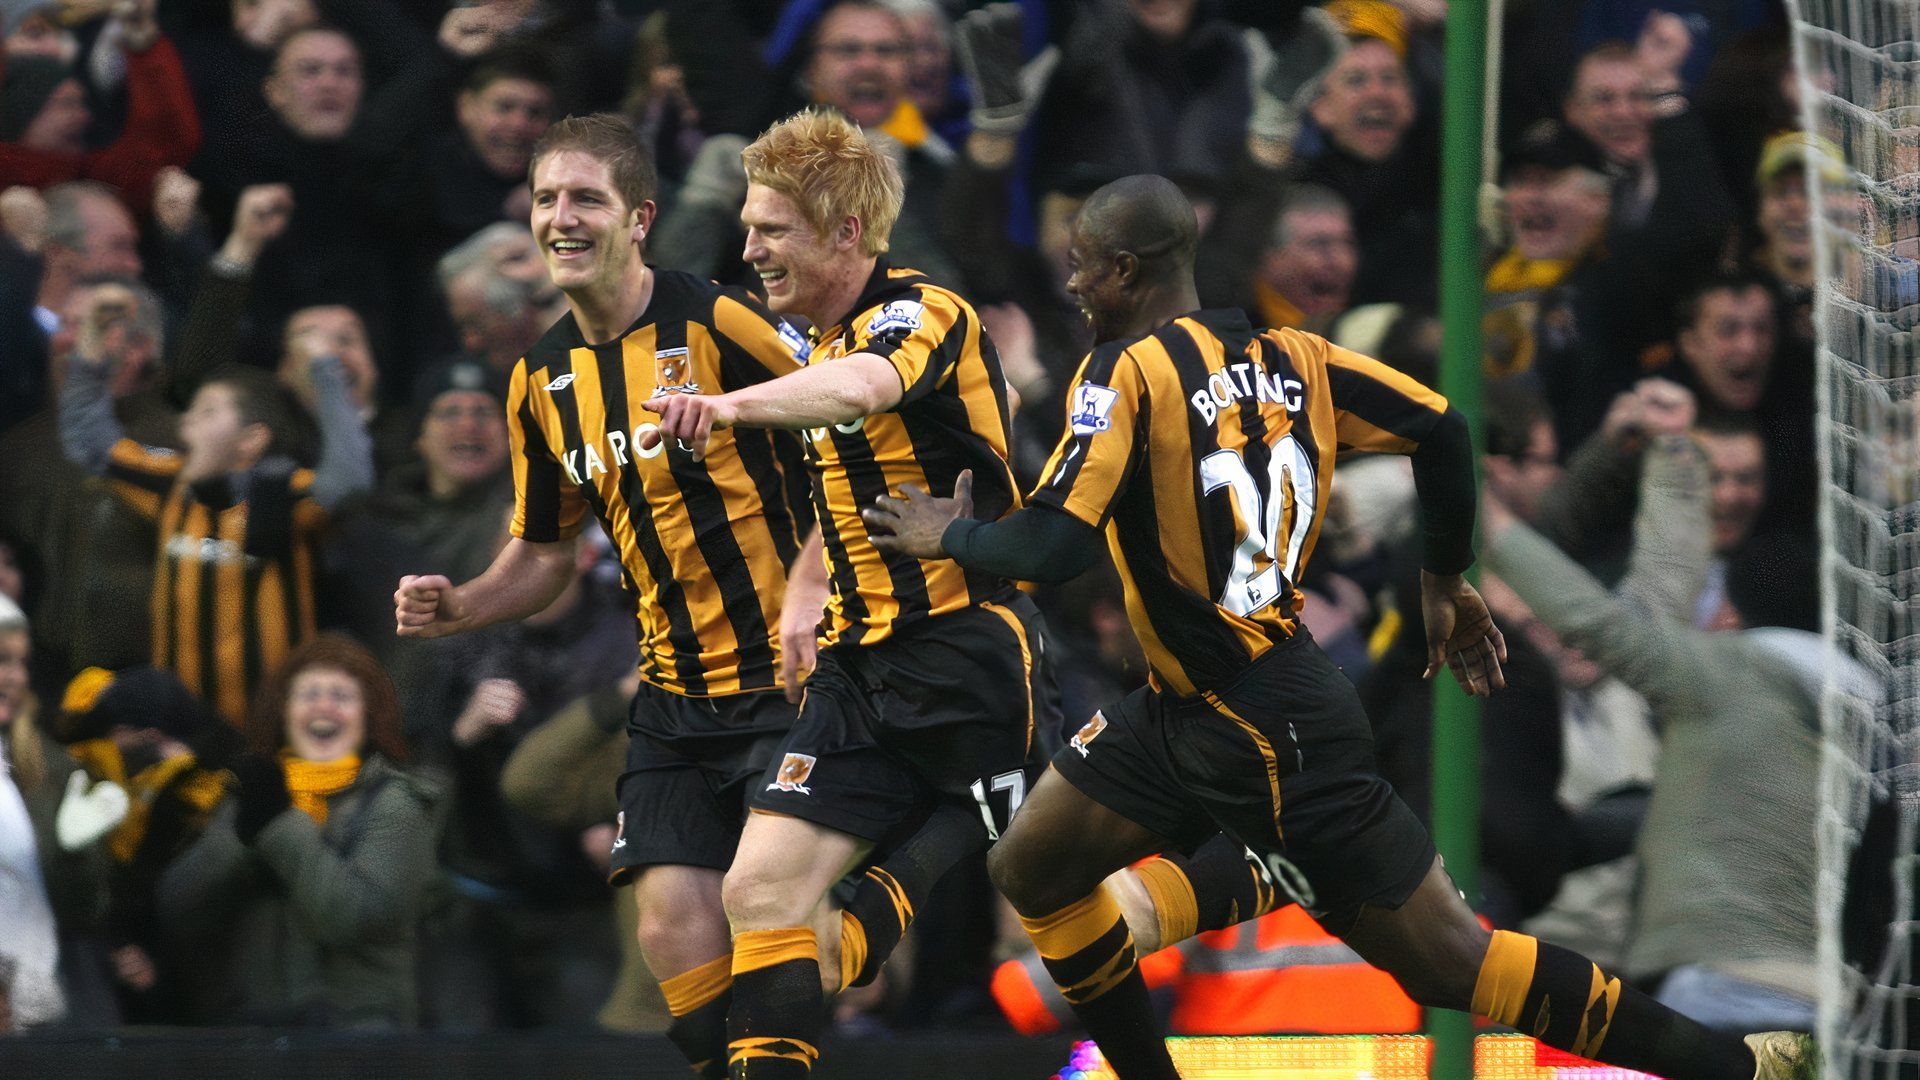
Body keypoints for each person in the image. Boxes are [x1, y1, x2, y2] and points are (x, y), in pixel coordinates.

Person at [858, 174, 1809, 1080]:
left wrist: (956, 534)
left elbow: (1056, 548)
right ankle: (1225, 935)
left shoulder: (1126, 372)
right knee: (1031, 863)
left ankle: (1737, 1063)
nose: (1071, 282)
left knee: (1450, 966)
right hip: (1192, 704)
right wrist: (1444, 576)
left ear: (1129, 270)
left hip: (1269, 726)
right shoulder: (1295, 358)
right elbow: (1443, 432)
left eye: (1083, 263)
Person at [394, 114, 979, 1076]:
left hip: (793, 681)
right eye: (546, 199)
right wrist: (462, 604)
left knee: (781, 934)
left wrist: (808, 583)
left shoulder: (718, 321)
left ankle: (935, 848)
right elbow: (543, 555)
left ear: (640, 219)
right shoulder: (541, 379)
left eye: (587, 198)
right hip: (670, 692)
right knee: (674, 938)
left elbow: (853, 433)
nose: (562, 217)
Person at [640, 107, 1059, 1078]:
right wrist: (803, 592)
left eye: (770, 230)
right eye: (746, 227)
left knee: (1053, 900)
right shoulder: (818, 344)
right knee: (760, 901)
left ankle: (973, 819)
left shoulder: (920, 315)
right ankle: (947, 840)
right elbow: (850, 490)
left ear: (847, 235)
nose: (749, 250)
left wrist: (725, 406)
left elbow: (867, 390)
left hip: (964, 647)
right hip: (857, 668)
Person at [59, 282, 375, 724]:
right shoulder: (171, 482)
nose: (187, 423)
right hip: (180, 731)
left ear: (251, 440)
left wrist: (324, 369)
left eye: (207, 412)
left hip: (271, 734)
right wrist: (92, 353)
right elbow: (89, 445)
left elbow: (350, 483)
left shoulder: (282, 492)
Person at [156, 633, 440, 1028]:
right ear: (284, 714)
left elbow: (357, 918)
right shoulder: (253, 794)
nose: (324, 706)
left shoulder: (395, 803)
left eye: (342, 696)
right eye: (308, 695)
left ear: (368, 716)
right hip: (252, 1032)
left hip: (358, 1036)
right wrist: (243, 834)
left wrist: (276, 826)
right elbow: (178, 910)